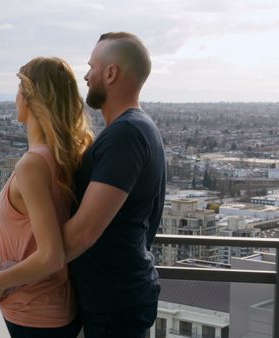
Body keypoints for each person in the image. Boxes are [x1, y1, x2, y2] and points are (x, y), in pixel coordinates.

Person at [0, 56, 93, 338]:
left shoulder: (32, 165)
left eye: (18, 90)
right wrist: (4, 221)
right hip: (57, 311)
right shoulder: (63, 157)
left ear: (29, 97)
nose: (15, 99)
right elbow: (47, 221)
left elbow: (51, 256)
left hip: (31, 315)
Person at [62, 32, 166, 338]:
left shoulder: (127, 135)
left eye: (91, 66)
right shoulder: (136, 129)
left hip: (114, 302)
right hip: (117, 298)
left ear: (110, 73)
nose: (85, 75)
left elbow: (84, 231)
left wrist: (25, 264)